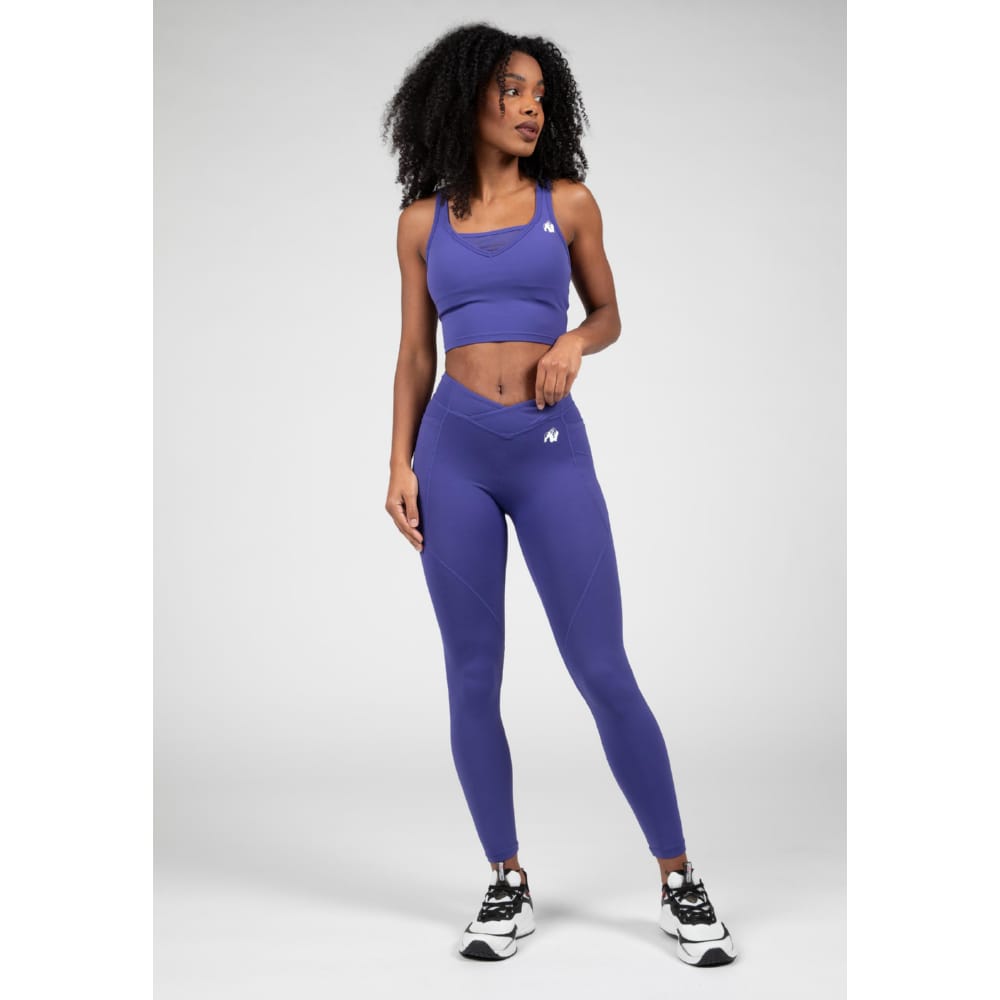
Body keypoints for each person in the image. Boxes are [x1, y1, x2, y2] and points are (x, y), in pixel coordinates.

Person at [380, 23, 737, 967]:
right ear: (467, 98)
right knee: (471, 675)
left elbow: (608, 311)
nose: (531, 106)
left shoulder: (567, 204)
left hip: (548, 454)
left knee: (602, 667)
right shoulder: (420, 223)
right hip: (452, 456)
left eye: (540, 93)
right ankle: (506, 878)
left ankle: (678, 877)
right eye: (512, 89)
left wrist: (575, 341)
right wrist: (399, 465)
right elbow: (415, 354)